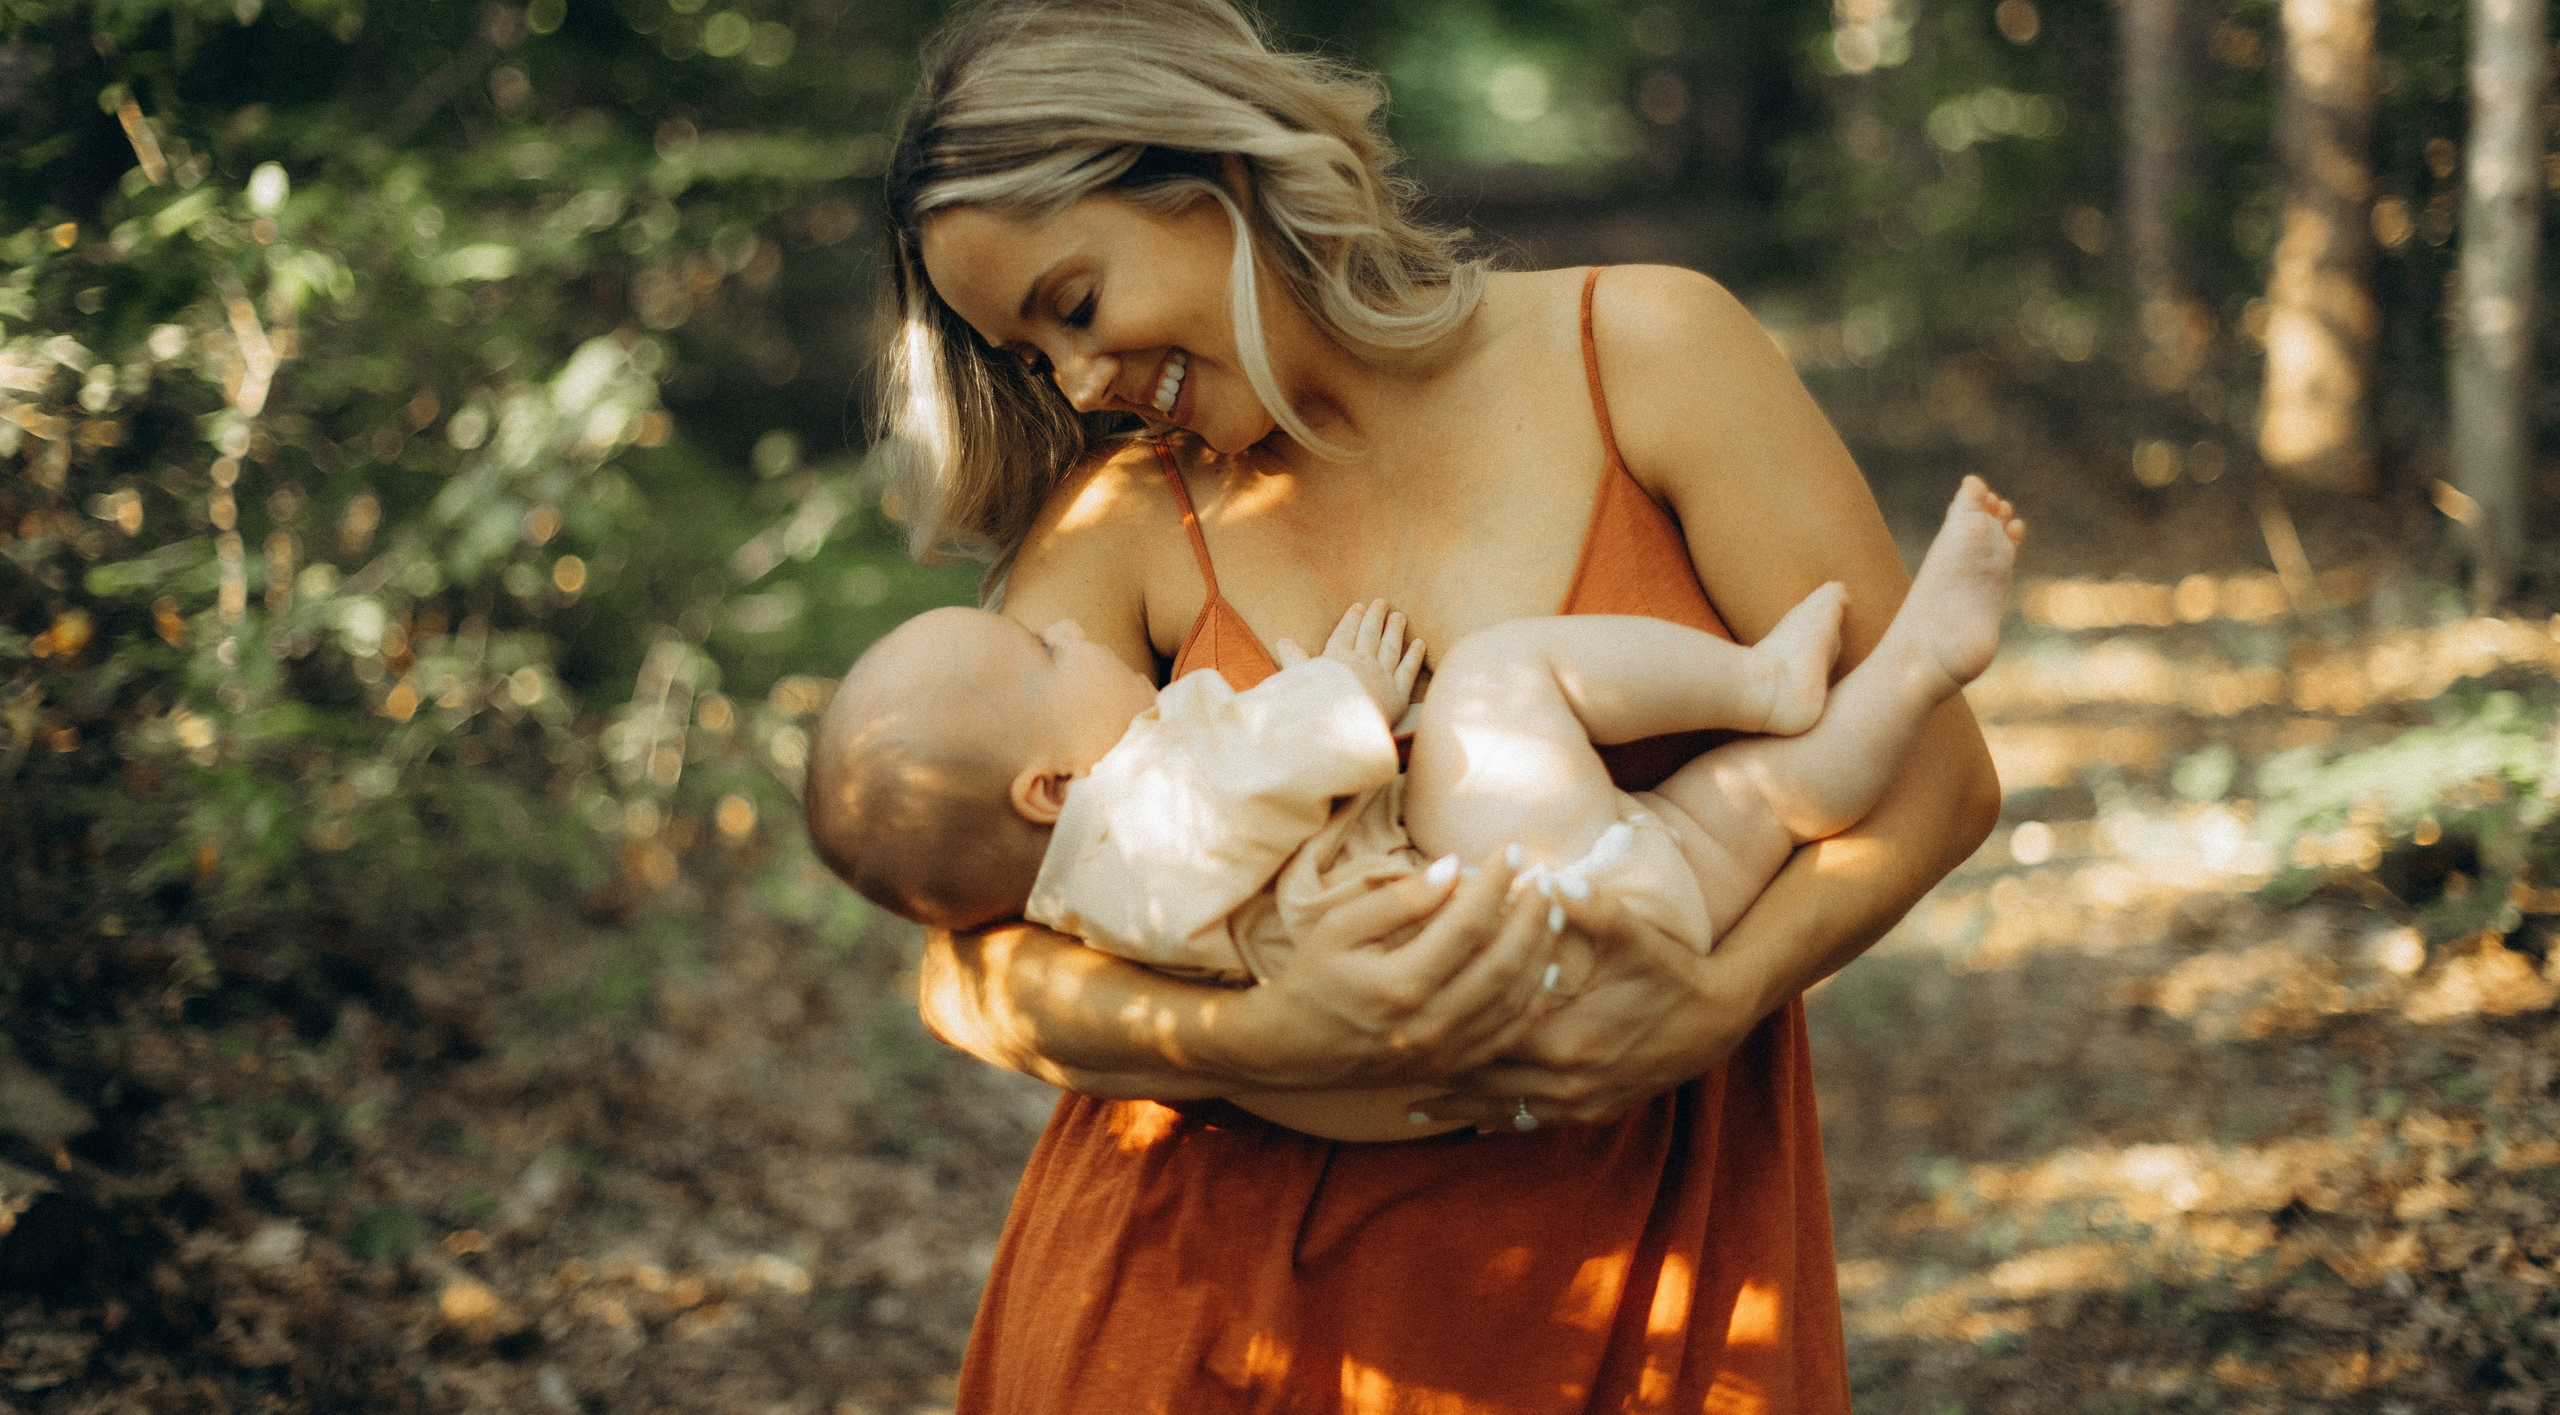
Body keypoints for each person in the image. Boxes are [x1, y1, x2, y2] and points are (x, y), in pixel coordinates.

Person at [872, 0, 2002, 1412]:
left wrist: (1714, 999)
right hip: (1198, 1321)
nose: (1078, 377)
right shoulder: (1127, 520)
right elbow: (964, 961)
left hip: (1640, 1281)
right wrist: (1263, 1036)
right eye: (1032, 353)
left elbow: (1938, 777)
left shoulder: (1646, 352)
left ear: (1209, 169)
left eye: (1075, 301)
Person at [807, 480, 2020, 1146]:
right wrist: (1346, 694)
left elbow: (1248, 799)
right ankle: (1765, 682)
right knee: (1493, 684)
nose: (1064, 626)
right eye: (1040, 649)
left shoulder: (1121, 851)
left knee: (1750, 801)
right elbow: (1252, 783)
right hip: (1507, 930)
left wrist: (1718, 998)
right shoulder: (1128, 835)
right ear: (1051, 788)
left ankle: (1914, 667)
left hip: (1553, 959)